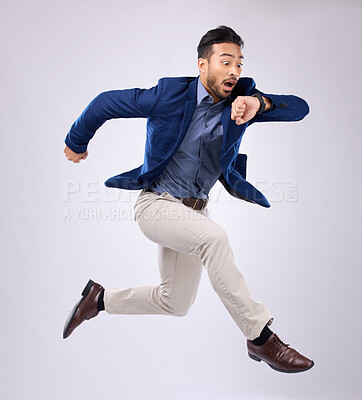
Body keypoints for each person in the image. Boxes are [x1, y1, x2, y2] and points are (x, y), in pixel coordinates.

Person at [63, 26, 314, 373]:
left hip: (194, 213)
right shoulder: (167, 95)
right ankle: (260, 337)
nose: (234, 71)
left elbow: (300, 108)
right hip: (156, 205)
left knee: (175, 302)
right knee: (215, 238)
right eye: (225, 62)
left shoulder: (242, 102)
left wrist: (260, 103)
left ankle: (99, 299)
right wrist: (77, 142)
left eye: (239, 64)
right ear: (202, 64)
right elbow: (105, 103)